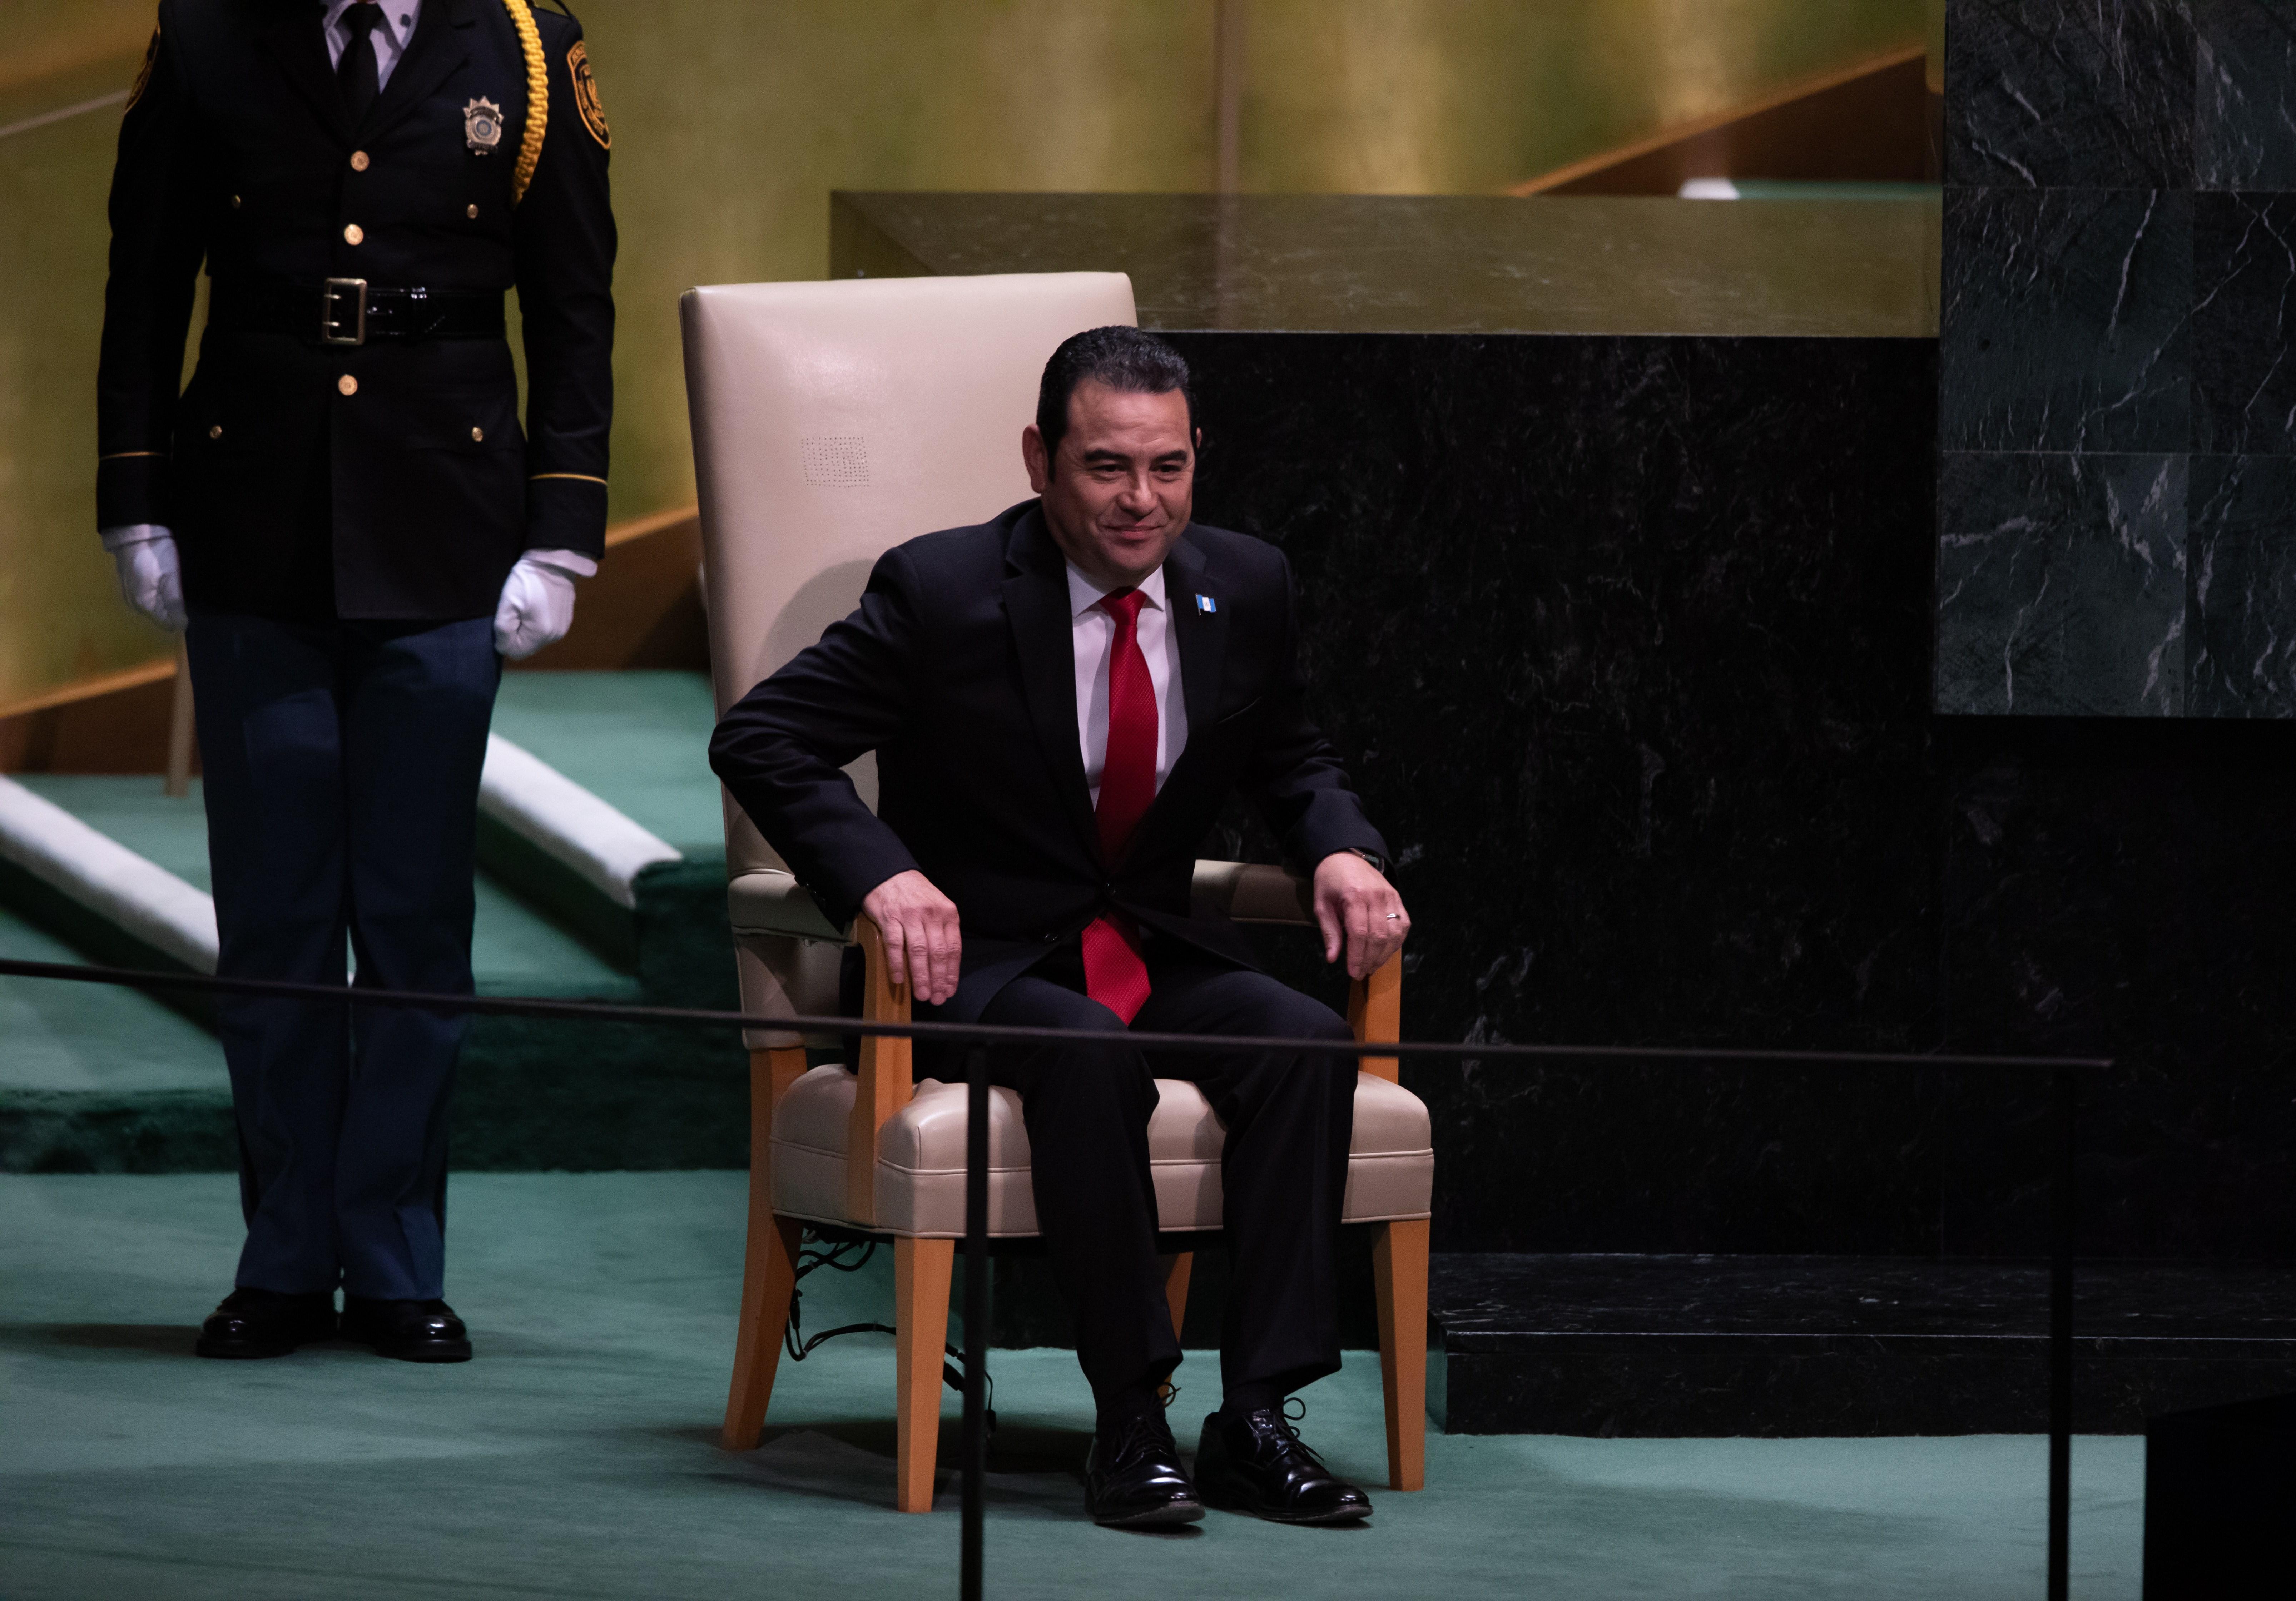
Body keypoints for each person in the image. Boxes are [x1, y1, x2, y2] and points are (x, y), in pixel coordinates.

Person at [709, 327, 1410, 1527]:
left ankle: (1253, 1420)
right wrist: (881, 876)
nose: (1143, 501)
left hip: (1151, 946)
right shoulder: (941, 592)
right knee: (1091, 1060)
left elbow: (1292, 757)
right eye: (1106, 468)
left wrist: (1342, 847)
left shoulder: (1243, 584)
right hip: (976, 967)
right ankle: (1130, 1414)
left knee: (1300, 1042)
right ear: (1040, 459)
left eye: (1169, 468)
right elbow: (763, 737)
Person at [93, 0, 616, 1363]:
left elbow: (573, 299)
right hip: (253, 517)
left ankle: (390, 1259)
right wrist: (135, 498)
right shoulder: (208, 33)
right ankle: (280, 1259)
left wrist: (562, 530)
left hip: (447, 527)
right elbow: (145, 279)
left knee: (410, 922)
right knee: (273, 918)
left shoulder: (525, 50)